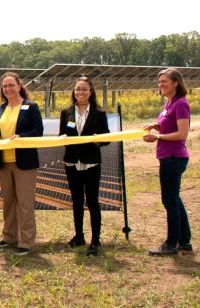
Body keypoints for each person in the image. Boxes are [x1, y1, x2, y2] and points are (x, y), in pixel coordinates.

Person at [0, 72, 43, 256]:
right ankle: (9, 237)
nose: (8, 89)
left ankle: (26, 241)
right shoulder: (0, 109)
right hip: (4, 162)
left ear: (20, 86)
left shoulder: (31, 107)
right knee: (8, 202)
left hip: (24, 164)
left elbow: (38, 131)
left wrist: (21, 137)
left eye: (11, 85)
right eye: (4, 86)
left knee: (25, 203)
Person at [58, 75, 110, 256]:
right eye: (78, 89)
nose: (81, 92)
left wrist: (97, 141)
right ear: (74, 91)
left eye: (84, 89)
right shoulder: (66, 112)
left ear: (91, 92)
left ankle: (95, 240)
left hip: (91, 163)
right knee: (77, 200)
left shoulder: (99, 113)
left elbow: (106, 138)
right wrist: (63, 138)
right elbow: (62, 134)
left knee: (93, 201)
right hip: (72, 162)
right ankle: (79, 236)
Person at [143, 68, 193, 256]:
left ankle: (171, 243)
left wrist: (158, 137)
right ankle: (184, 241)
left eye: (164, 81)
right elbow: (170, 123)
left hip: (174, 157)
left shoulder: (181, 104)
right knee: (175, 200)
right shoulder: (169, 103)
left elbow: (182, 133)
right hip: (167, 156)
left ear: (176, 83)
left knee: (169, 201)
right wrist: (156, 125)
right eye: (159, 82)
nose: (161, 85)